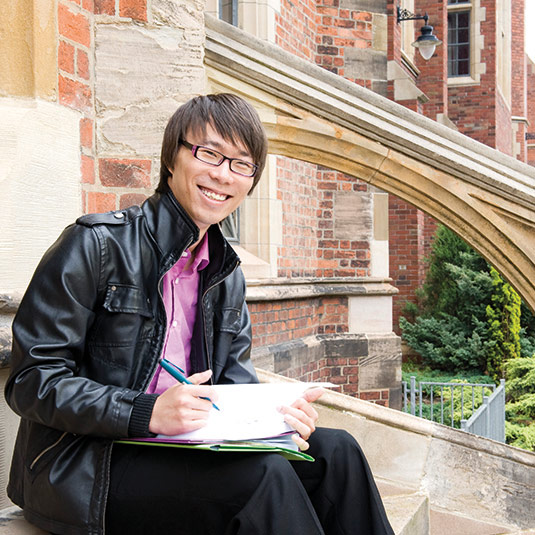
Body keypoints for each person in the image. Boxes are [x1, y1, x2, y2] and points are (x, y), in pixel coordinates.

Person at [6, 93, 394, 535]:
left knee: (335, 452)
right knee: (261, 478)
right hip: (86, 464)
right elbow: (31, 382)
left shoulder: (225, 274)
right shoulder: (95, 245)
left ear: (251, 181)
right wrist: (145, 411)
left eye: (240, 164)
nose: (222, 174)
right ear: (172, 158)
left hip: (187, 446)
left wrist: (278, 422)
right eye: (209, 153)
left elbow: (234, 388)